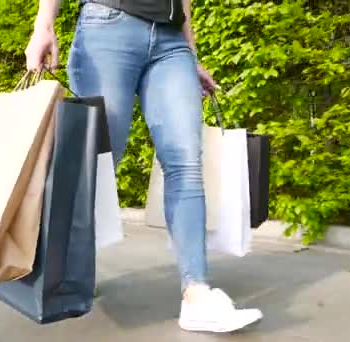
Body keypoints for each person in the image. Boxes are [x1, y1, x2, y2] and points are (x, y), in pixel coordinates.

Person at [24, 0, 263, 333]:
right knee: (98, 165)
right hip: (107, 25)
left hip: (171, 42)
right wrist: (43, 24)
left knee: (186, 163)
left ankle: (197, 294)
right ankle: (62, 268)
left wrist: (191, 54)